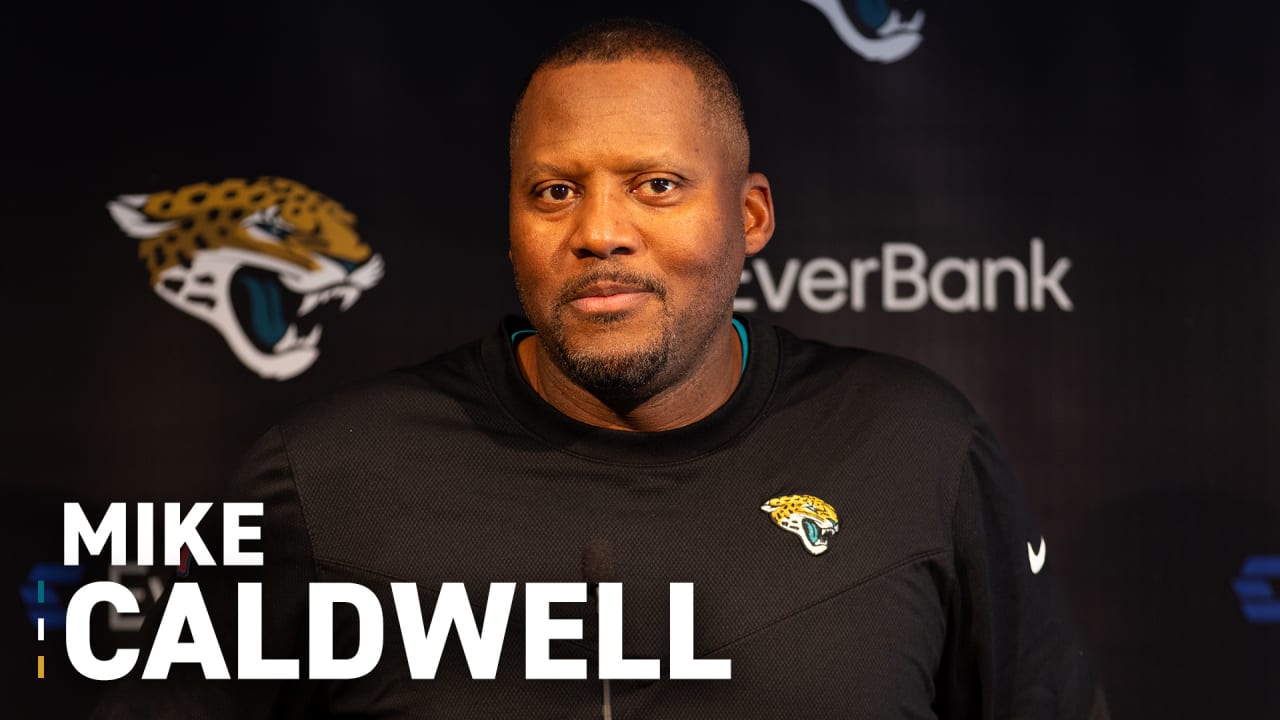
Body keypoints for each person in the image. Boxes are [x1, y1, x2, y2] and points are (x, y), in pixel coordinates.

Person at [96, 18, 1107, 719]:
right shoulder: (326, 480)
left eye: (655, 185)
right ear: (511, 226)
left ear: (749, 216)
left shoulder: (912, 445)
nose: (599, 231)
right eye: (553, 192)